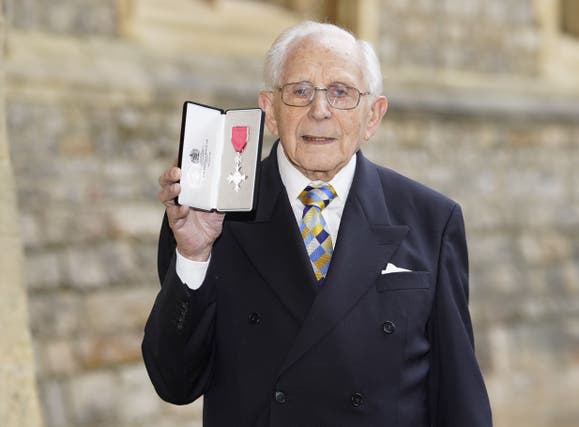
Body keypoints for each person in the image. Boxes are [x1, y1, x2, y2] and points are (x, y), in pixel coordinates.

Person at [142, 21, 492, 426]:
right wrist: (193, 255)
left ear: (372, 116)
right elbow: (174, 382)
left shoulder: (432, 220)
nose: (319, 110)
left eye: (341, 92)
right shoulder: (211, 218)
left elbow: (459, 396)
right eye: (300, 91)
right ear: (270, 112)